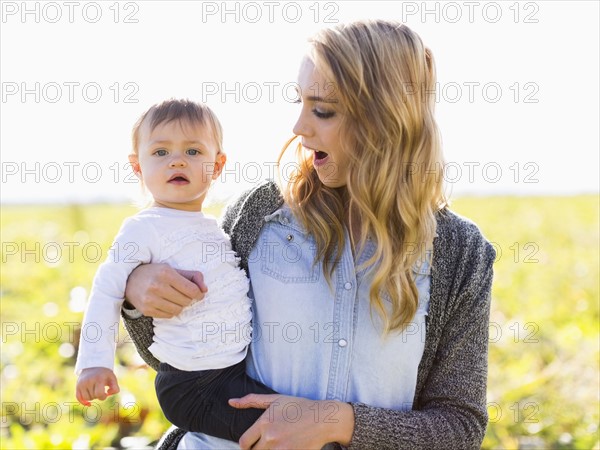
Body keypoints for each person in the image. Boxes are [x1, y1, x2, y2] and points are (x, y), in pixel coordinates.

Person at [122, 20, 496, 450]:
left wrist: (339, 423)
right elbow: (186, 366)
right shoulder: (257, 215)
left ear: (388, 120)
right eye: (300, 102)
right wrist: (138, 295)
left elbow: (459, 426)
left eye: (323, 110)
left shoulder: (460, 252)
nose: (299, 127)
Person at [74, 99, 277, 442]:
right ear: (138, 166)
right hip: (191, 384)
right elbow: (106, 289)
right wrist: (94, 362)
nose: (178, 160)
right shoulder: (144, 229)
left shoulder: (212, 228)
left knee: (292, 420)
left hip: (230, 372)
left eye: (194, 152)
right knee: (278, 433)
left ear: (218, 165)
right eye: (161, 152)